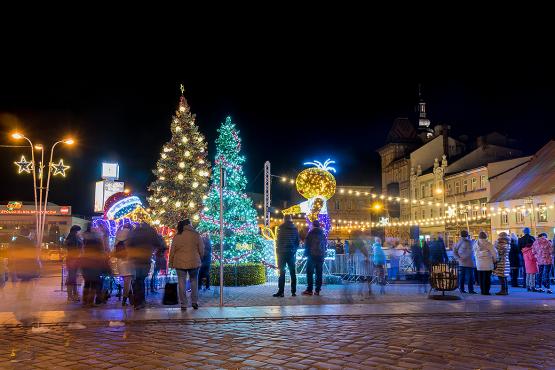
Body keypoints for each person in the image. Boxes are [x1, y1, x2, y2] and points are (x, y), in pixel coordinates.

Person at [127, 223, 164, 310]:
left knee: (137, 280)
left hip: (135, 259)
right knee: (141, 279)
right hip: (145, 258)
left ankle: (138, 301)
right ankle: (141, 300)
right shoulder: (151, 232)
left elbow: (128, 244)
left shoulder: (134, 232)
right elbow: (159, 243)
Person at [169, 219, 204, 310]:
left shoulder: (177, 236)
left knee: (181, 282)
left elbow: (172, 251)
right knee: (194, 281)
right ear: (189, 224)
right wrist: (200, 257)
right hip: (194, 261)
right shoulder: (196, 234)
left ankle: (183, 304)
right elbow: (201, 249)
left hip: (179, 262)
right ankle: (194, 302)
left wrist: (170, 263)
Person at [80, 223, 110, 307]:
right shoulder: (97, 240)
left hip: (86, 263)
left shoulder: (85, 240)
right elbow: (102, 251)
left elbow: (82, 251)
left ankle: (85, 301)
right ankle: (90, 302)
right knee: (93, 283)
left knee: (87, 282)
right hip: (94, 263)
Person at [273, 215, 300, 297]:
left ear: (284, 219)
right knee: (293, 273)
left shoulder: (280, 228)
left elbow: (278, 241)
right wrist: (294, 250)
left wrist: (278, 251)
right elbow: (297, 241)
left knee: (282, 273)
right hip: (291, 253)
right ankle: (293, 291)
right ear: (291, 220)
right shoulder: (295, 229)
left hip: (282, 253)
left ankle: (281, 292)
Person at [302, 220, 327, 296]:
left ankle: (309, 290)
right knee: (319, 273)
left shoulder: (310, 233)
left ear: (312, 225)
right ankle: (317, 290)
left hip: (311, 256)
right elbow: (325, 245)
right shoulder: (322, 234)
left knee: (309, 273)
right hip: (320, 256)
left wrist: (305, 254)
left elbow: (307, 245)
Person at [114, 225, 133, 306]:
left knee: (127, 281)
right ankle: (124, 300)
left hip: (119, 261)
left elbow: (114, 249)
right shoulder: (131, 235)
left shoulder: (118, 234)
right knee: (127, 282)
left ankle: (131, 300)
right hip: (128, 261)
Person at [474, 231, 497, 295]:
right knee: (487, 278)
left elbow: (474, 253)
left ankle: (482, 290)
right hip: (487, 264)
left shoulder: (476, 244)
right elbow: (495, 253)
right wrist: (495, 260)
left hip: (479, 264)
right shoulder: (488, 244)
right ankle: (486, 291)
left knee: (481, 278)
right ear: (486, 236)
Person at [64, 225, 83, 303]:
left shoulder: (70, 238)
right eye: (79, 231)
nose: (79, 232)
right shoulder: (75, 239)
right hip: (74, 259)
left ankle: (72, 295)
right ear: (75, 231)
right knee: (73, 278)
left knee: (72, 277)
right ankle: (72, 296)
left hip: (70, 259)